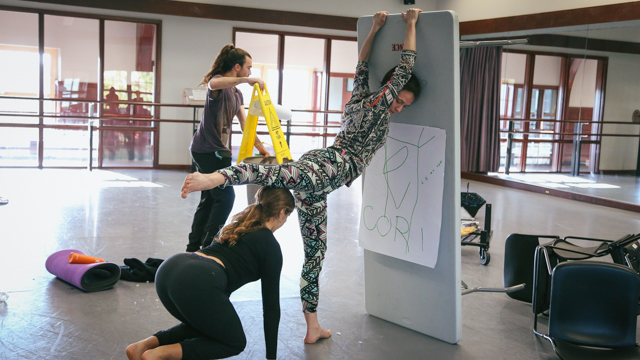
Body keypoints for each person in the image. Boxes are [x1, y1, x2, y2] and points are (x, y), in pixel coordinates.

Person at [180, 9, 423, 344]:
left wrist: (376, 28)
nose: (399, 107)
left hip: (320, 185)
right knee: (273, 172)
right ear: (391, 91)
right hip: (327, 167)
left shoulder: (361, 97)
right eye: (401, 101)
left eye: (405, 106)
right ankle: (217, 178)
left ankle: (313, 327)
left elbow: (362, 63)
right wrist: (409, 24)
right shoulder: (379, 103)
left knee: (316, 252)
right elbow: (405, 66)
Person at [126, 187, 294, 360]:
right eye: (288, 216)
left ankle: (141, 347)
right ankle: (159, 354)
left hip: (170, 268)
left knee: (208, 324)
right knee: (234, 342)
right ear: (282, 212)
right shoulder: (270, 246)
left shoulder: (236, 226)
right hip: (198, 279)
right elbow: (271, 307)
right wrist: (271, 357)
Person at [187, 44, 271, 253]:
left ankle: (193, 246)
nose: (250, 72)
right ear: (237, 67)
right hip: (206, 150)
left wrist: (260, 147)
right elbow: (214, 82)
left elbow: (245, 124)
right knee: (225, 198)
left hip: (218, 151)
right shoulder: (218, 85)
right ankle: (208, 245)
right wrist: (248, 80)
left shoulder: (236, 93)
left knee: (209, 199)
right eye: (248, 68)